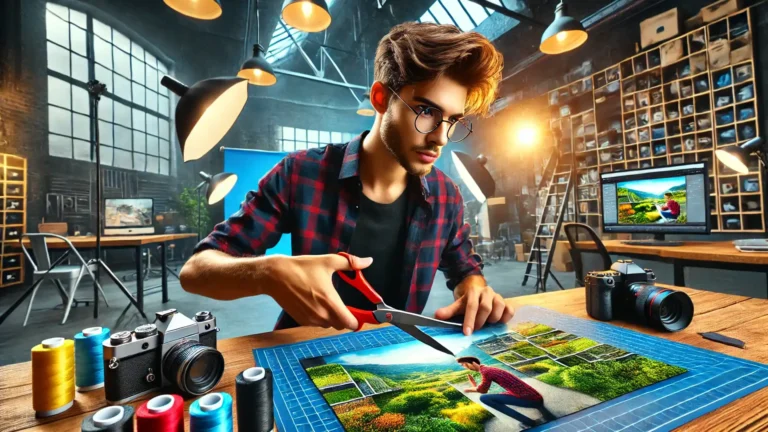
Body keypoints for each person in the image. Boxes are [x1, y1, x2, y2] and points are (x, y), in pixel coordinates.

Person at [179, 22, 514, 335]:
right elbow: (196, 271)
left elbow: (466, 270)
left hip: (399, 361)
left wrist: (476, 292)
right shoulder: (300, 173)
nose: (441, 137)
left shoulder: (446, 196)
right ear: (381, 99)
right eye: (427, 112)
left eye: (453, 120)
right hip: (302, 355)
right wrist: (267, 273)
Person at [457, 356, 555, 427]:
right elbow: (482, 388)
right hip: (535, 397)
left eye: (463, 365)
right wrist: (474, 386)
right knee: (498, 395)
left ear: (471, 363)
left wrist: (468, 389)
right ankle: (543, 411)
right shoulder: (489, 369)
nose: (464, 367)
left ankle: (529, 422)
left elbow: (483, 391)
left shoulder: (486, 372)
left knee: (485, 398)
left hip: (531, 400)